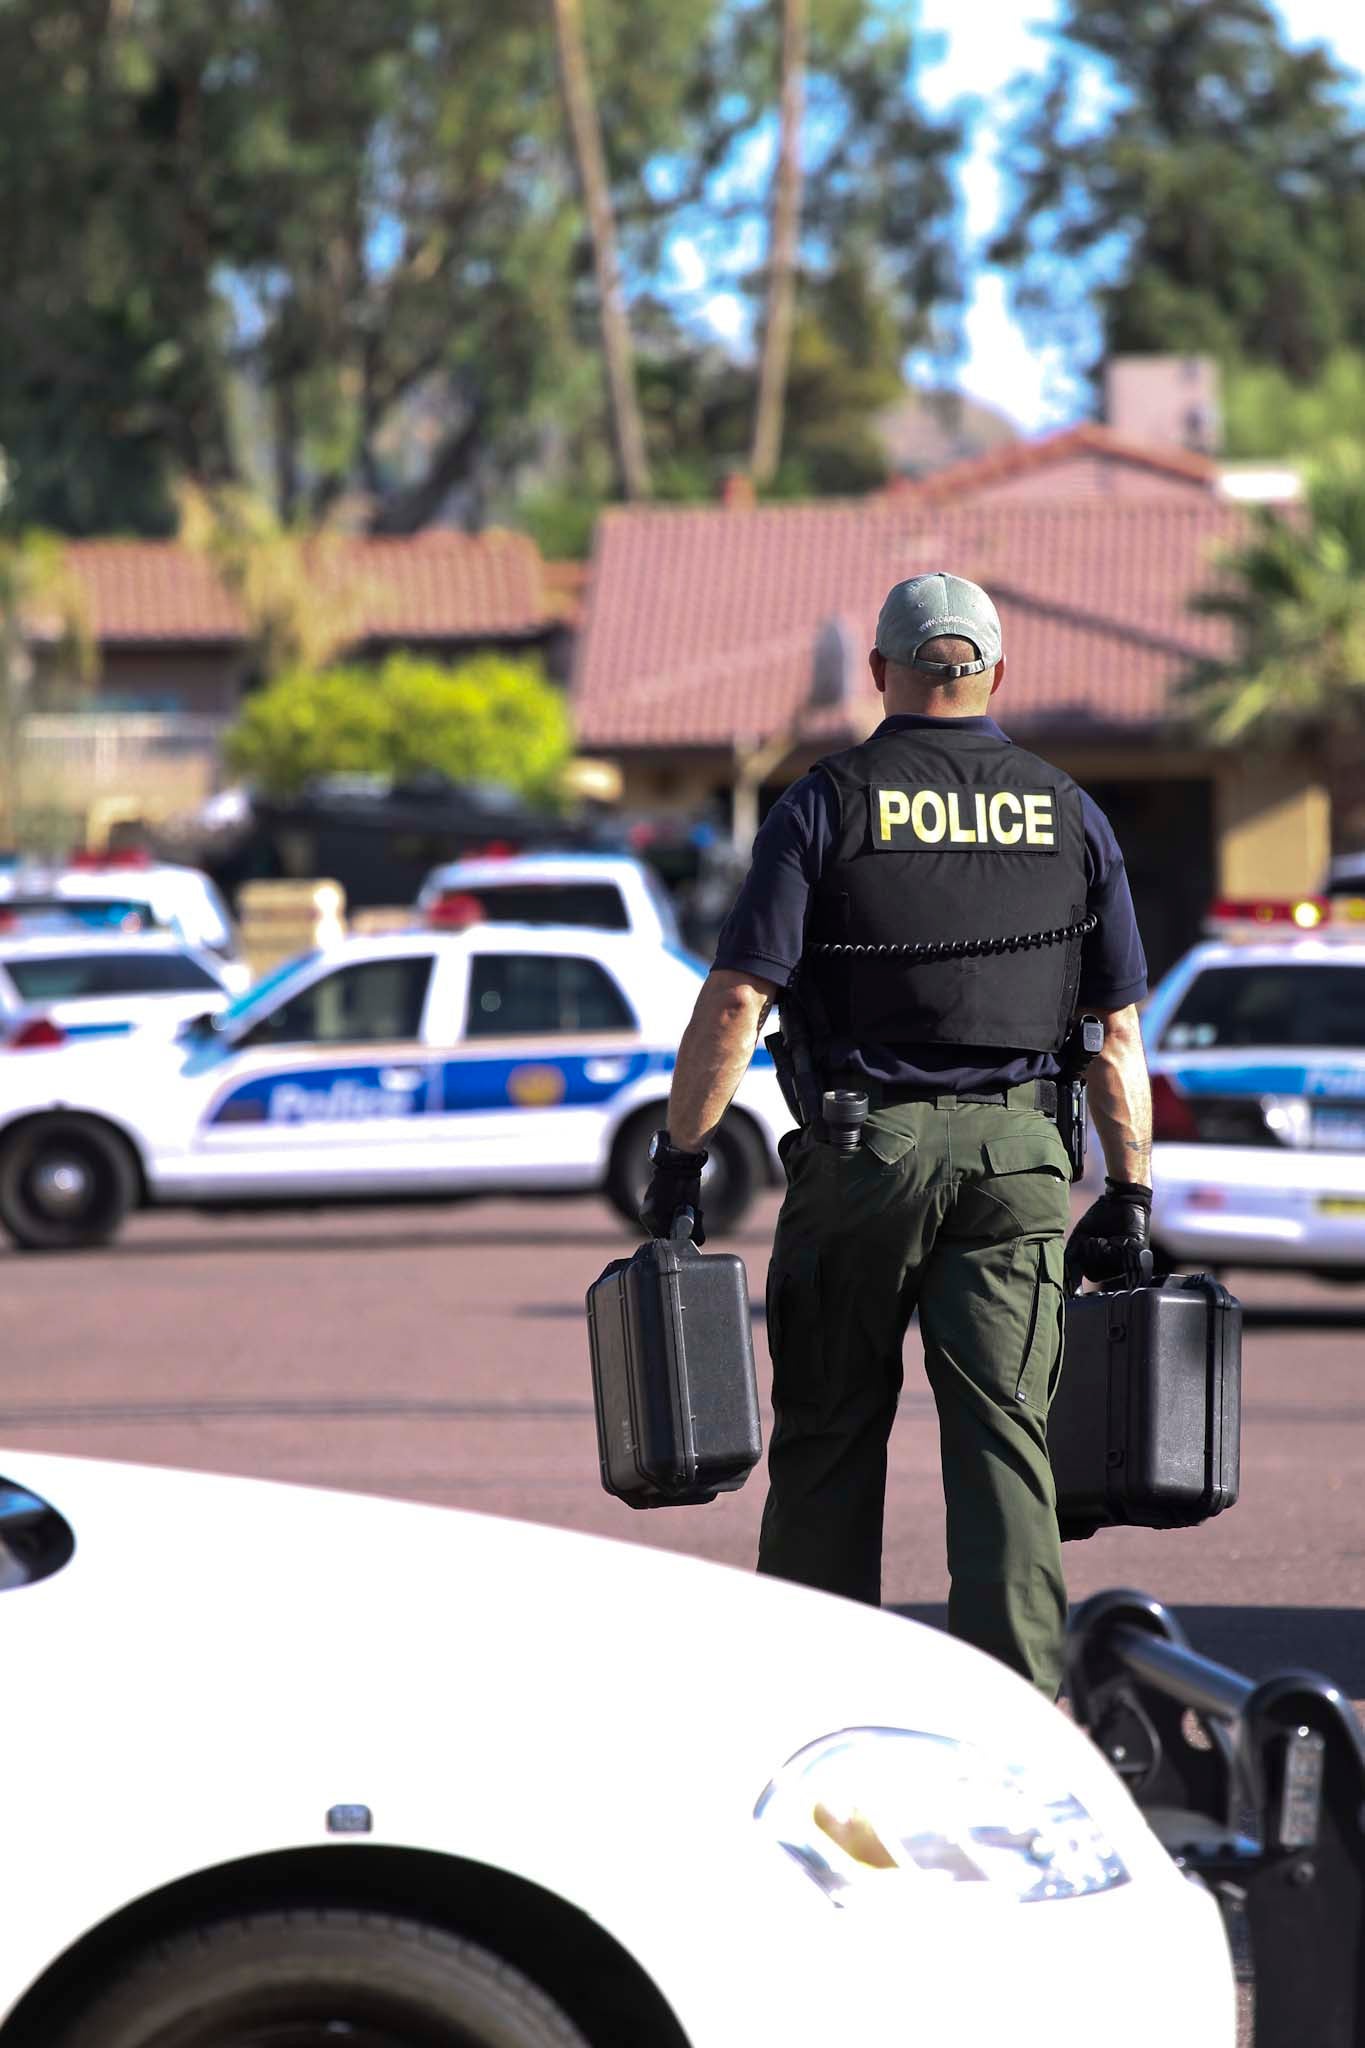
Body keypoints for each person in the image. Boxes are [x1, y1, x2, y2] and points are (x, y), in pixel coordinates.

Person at [639, 571, 1153, 1699]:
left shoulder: (826, 803)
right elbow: (1114, 1029)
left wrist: (682, 1160)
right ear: (997, 675)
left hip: (862, 1153)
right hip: (1022, 1165)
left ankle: (815, 1709)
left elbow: (736, 1002)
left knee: (828, 1434)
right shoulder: (1069, 811)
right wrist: (1130, 1192)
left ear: (881, 672)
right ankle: (1024, 1715)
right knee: (1007, 1446)